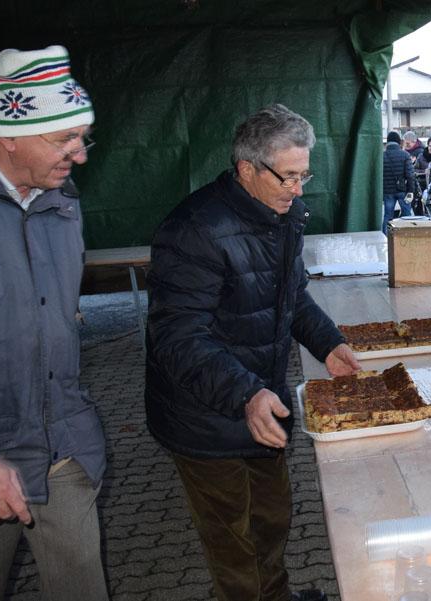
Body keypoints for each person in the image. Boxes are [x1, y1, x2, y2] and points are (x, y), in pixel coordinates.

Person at [145, 104, 361, 601]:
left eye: (305, 176)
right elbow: (178, 337)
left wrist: (328, 343)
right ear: (247, 169)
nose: (299, 190)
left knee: (272, 520)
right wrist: (246, 393)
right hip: (205, 414)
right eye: (288, 177)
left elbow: (291, 296)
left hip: (263, 402)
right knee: (233, 545)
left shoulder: (281, 215)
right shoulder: (194, 229)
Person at [0, 45, 109, 600]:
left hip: (63, 450)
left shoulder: (62, 203)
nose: (79, 155)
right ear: (8, 134)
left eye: (82, 137)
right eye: (63, 139)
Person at [382, 130, 417, 232]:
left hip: (387, 191)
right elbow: (410, 175)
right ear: (399, 142)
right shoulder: (405, 155)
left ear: (387, 142)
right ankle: (407, 236)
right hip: (402, 190)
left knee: (388, 215)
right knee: (407, 214)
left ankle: (385, 238)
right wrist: (411, 191)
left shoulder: (382, 156)